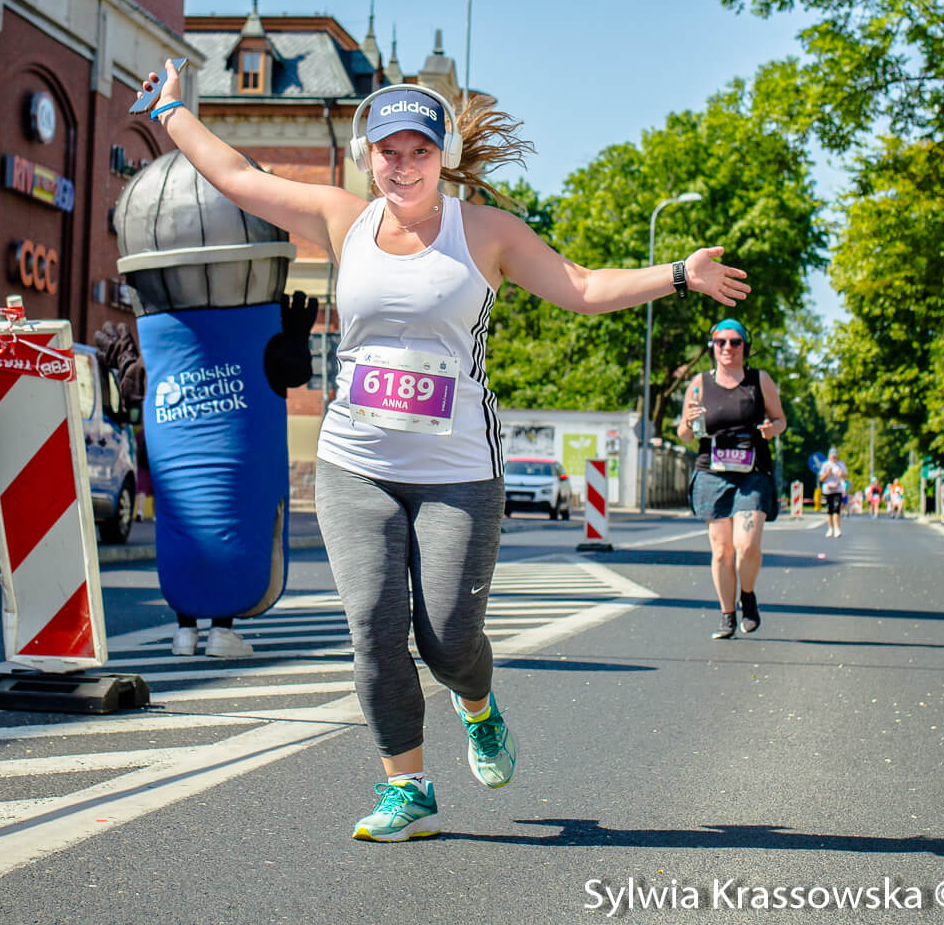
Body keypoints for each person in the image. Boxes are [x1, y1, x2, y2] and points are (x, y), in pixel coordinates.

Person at [135, 59, 749, 842]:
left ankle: (477, 703)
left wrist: (679, 276)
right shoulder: (340, 217)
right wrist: (174, 111)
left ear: (445, 155)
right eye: (388, 150)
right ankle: (408, 787)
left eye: (419, 151)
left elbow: (582, 286)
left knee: (449, 638)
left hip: (458, 470)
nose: (403, 165)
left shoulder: (484, 233)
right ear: (367, 155)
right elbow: (234, 176)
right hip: (355, 461)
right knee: (373, 629)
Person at [677, 318, 787, 641]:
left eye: (734, 342)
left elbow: (780, 420)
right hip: (712, 472)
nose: (727, 348)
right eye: (720, 342)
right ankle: (727, 615)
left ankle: (747, 597)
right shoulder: (699, 384)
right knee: (722, 550)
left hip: (752, 473)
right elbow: (684, 434)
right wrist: (688, 421)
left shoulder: (759, 380)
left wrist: (771, 429)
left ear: (745, 346)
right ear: (712, 347)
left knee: (747, 545)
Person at [818, 447, 848, 537]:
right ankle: (830, 528)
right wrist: (827, 473)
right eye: (832, 456)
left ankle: (837, 528)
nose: (834, 458)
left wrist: (841, 474)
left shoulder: (841, 464)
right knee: (829, 510)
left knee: (836, 509)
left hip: (837, 489)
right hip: (827, 490)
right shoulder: (825, 465)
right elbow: (821, 479)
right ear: (829, 456)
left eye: (835, 456)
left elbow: (845, 477)